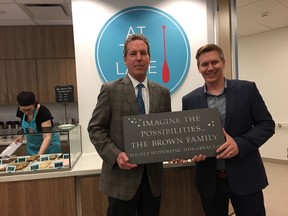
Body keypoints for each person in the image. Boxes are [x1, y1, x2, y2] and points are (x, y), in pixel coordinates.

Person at [182, 44, 275, 216]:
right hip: (210, 183)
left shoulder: (247, 89)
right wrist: (193, 151)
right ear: (199, 68)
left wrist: (240, 144)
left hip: (246, 178)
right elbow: (191, 137)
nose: (210, 68)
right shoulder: (189, 100)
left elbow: (267, 124)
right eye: (204, 64)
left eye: (214, 62)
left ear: (223, 62)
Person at [88, 34, 171, 216]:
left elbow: (166, 130)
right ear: (125, 59)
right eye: (133, 53)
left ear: (149, 58)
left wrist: (176, 149)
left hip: (152, 181)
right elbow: (95, 129)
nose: (139, 58)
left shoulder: (163, 93)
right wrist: (116, 155)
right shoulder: (110, 90)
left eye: (143, 53)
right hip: (121, 181)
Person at [16, 91, 61, 155]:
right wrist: (20, 136)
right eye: (23, 110)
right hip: (32, 147)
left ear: (34, 104)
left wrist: (38, 156)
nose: (26, 112)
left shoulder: (43, 112)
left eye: (29, 109)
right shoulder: (21, 110)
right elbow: (23, 126)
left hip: (49, 147)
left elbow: (47, 136)